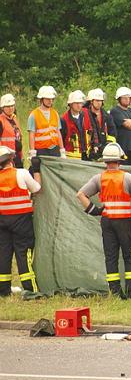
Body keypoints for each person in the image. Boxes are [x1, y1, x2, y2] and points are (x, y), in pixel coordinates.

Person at [76, 143, 131, 298]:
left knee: (111, 257)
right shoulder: (126, 177)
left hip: (107, 222)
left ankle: (115, 293)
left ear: (105, 161)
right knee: (130, 255)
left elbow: (80, 194)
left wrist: (94, 210)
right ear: (120, 160)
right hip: (124, 222)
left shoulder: (98, 178)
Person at [0, 147, 42, 296]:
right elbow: (37, 189)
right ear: (11, 159)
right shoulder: (22, 173)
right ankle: (30, 289)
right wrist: (36, 169)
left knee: (4, 254)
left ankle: (3, 290)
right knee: (24, 253)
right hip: (22, 221)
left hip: (2, 222)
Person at [109, 87, 131, 167]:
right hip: (124, 146)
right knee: (124, 169)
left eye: (129, 98)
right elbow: (126, 125)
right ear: (119, 99)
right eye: (125, 98)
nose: (127, 100)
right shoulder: (115, 111)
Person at [27, 86, 65, 158]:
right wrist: (32, 152)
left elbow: (58, 132)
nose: (50, 101)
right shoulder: (34, 115)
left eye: (52, 99)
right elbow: (31, 134)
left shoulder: (55, 113)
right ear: (42, 99)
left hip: (54, 149)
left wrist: (62, 150)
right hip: (41, 150)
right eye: (48, 99)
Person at [60, 90, 93, 160]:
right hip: (72, 158)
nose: (79, 105)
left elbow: (92, 131)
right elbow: (61, 139)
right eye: (76, 103)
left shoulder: (86, 114)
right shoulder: (64, 119)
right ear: (71, 104)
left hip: (87, 155)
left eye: (80, 103)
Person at [84, 88, 115, 160]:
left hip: (104, 151)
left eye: (101, 101)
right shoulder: (85, 115)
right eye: (97, 100)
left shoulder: (107, 116)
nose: (99, 103)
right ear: (91, 101)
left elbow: (113, 132)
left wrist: (108, 145)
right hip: (89, 151)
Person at [0, 94, 24, 168]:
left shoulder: (14, 119)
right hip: (6, 159)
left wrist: (21, 155)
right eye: (8, 106)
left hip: (17, 157)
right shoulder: (1, 121)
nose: (11, 108)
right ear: (2, 108)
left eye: (12, 105)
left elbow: (18, 138)